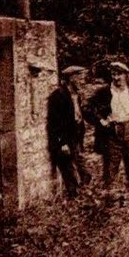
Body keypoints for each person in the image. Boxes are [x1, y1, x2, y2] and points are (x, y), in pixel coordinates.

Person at [85, 61, 129, 191]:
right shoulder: (103, 92)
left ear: (126, 75)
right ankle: (108, 193)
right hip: (111, 131)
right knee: (110, 164)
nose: (116, 77)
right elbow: (87, 108)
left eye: (119, 74)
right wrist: (100, 120)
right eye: (114, 74)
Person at [45, 65, 91, 198]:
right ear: (71, 78)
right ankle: (74, 197)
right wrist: (62, 143)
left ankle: (82, 193)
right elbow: (55, 122)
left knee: (83, 170)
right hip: (64, 139)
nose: (82, 80)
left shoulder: (76, 95)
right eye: (79, 77)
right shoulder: (58, 96)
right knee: (67, 168)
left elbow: (78, 116)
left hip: (75, 136)